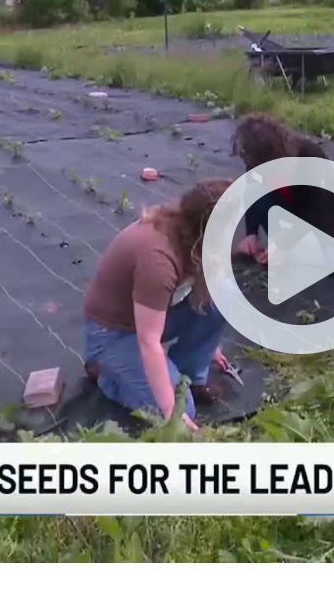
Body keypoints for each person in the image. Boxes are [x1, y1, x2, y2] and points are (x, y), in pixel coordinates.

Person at [82, 178, 238, 426]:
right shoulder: (158, 259)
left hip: (150, 316)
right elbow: (148, 341)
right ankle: (107, 374)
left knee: (225, 295)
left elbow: (205, 287)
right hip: (114, 333)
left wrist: (208, 344)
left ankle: (191, 376)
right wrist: (168, 409)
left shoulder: (187, 229)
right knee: (181, 409)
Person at [230, 113, 334, 276]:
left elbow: (316, 210)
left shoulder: (310, 156)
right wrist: (252, 234)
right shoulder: (256, 158)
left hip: (325, 213)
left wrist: (284, 245)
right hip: (291, 206)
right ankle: (285, 244)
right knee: (255, 190)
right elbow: (252, 192)